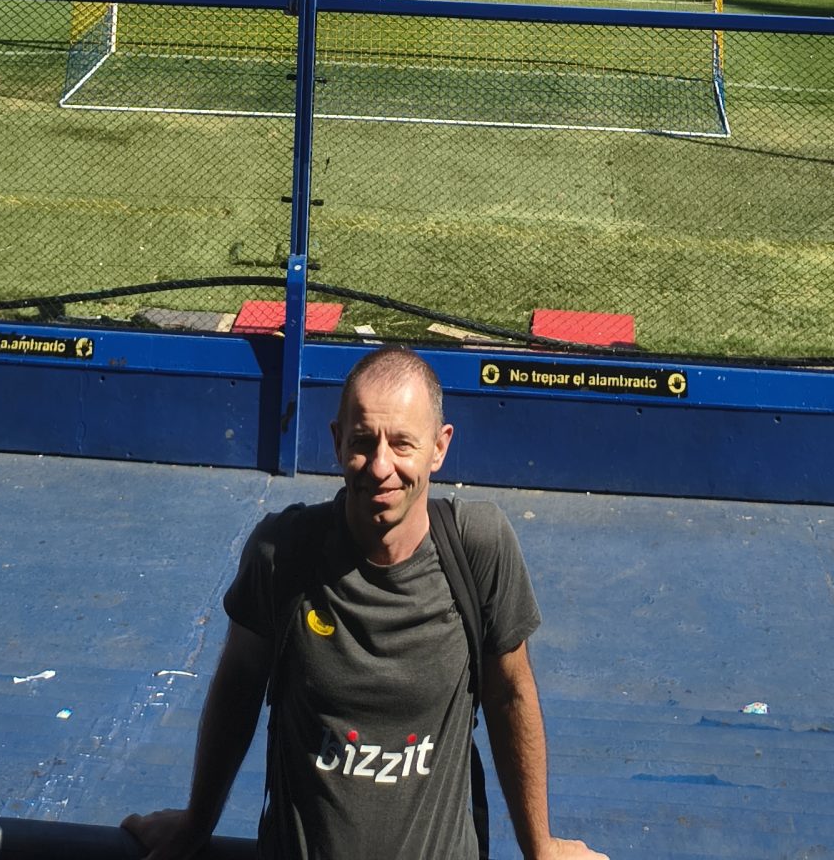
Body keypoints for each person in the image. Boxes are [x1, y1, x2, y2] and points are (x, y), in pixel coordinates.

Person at [124, 344, 605, 860]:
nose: (380, 467)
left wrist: (540, 847)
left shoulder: (478, 548)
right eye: (362, 442)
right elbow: (238, 685)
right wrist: (198, 821)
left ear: (439, 448)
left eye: (402, 444)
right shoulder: (281, 554)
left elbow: (511, 694)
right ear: (335, 441)